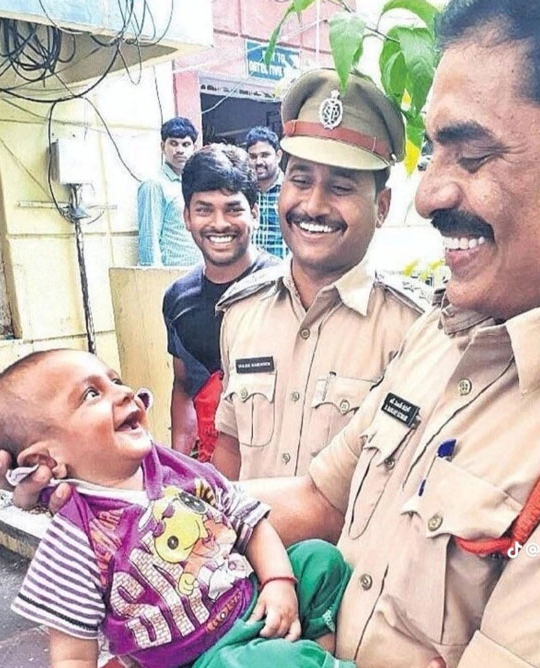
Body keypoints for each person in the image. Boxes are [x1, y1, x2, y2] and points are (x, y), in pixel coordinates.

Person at [0, 0, 540, 668]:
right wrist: (109, 495)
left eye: (472, 155)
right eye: (434, 158)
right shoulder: (460, 327)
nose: (429, 195)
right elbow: (320, 497)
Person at [0, 348, 450, 668]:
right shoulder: (73, 541)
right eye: (91, 394)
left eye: (115, 379)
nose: (123, 392)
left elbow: (250, 518)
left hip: (254, 608)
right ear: (45, 458)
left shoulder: (176, 470)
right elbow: (71, 657)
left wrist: (280, 581)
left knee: (319, 562)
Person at [212, 70, 430, 481]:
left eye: (341, 187)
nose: (313, 205)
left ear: (381, 206)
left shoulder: (413, 331)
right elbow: (230, 451)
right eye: (300, 180)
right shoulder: (242, 313)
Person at [162, 144, 280, 462]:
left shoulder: (284, 289)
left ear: (253, 212)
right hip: (210, 475)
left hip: (273, 474)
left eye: (232, 209)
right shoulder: (178, 299)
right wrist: (181, 466)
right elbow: (185, 387)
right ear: (187, 216)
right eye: (204, 209)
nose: (219, 223)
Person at [137, 117, 202, 268]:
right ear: (162, 146)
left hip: (197, 275)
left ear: (194, 147)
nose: (179, 150)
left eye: (185, 144)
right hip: (171, 277)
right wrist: (153, 281)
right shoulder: (154, 185)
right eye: (173, 143)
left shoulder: (196, 183)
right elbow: (149, 240)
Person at [245, 126, 288, 259]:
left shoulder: (291, 190)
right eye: (253, 156)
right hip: (250, 272)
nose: (259, 162)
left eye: (265, 155)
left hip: (283, 271)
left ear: (278, 156)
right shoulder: (243, 192)